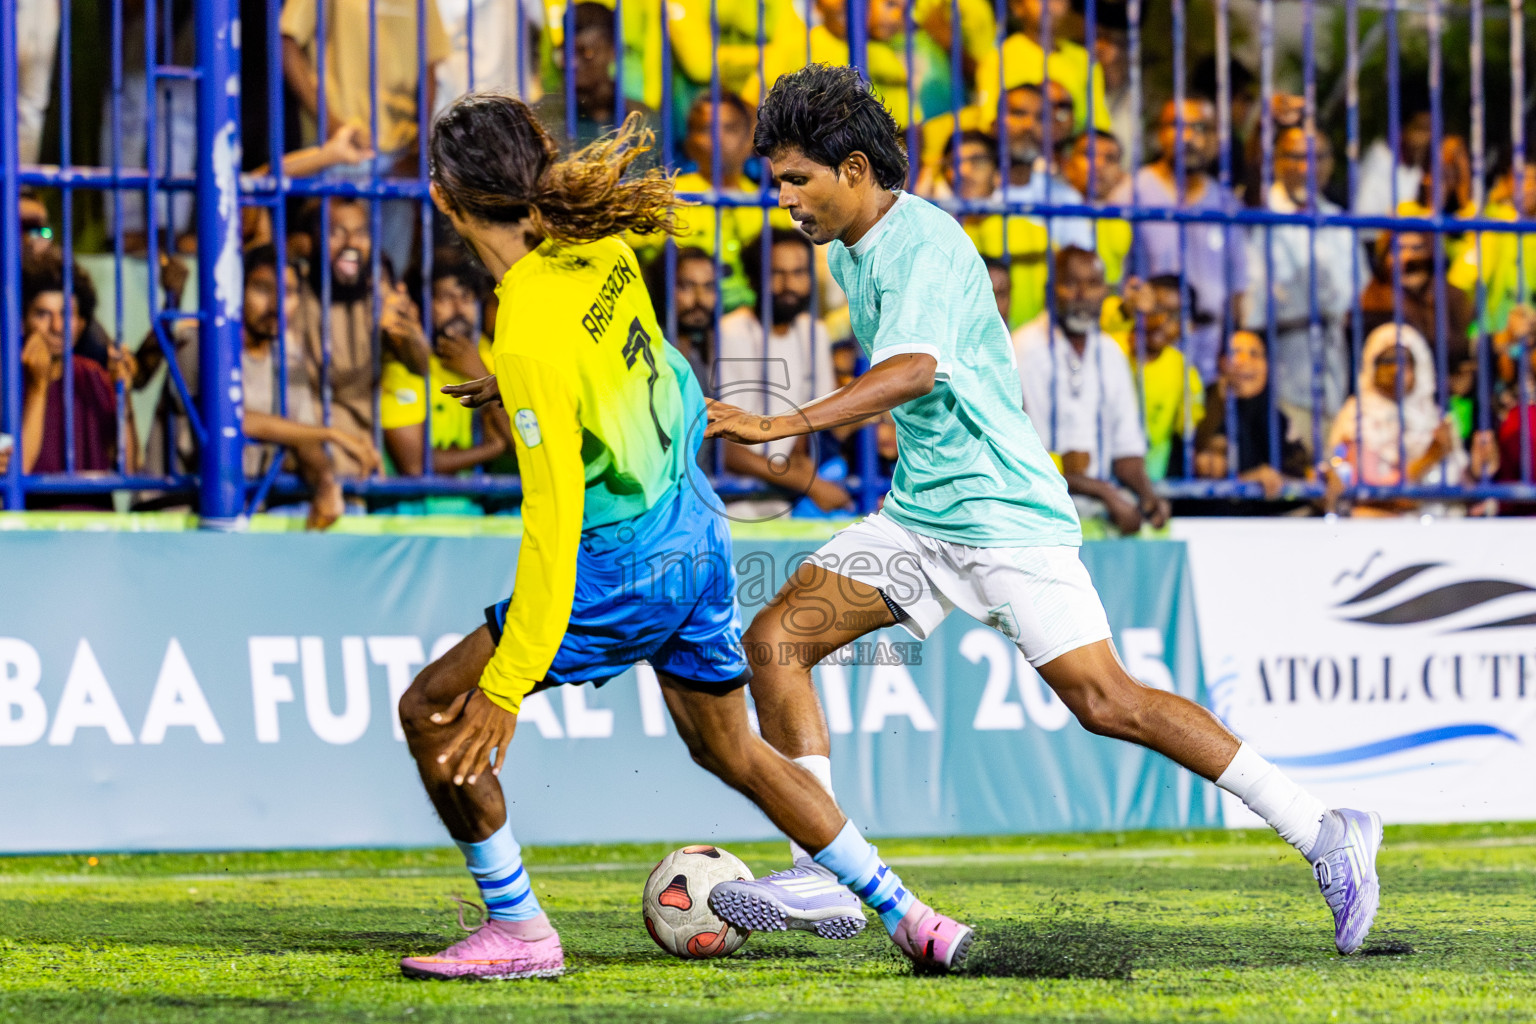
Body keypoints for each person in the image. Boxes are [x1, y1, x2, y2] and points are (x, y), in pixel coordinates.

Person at [704, 64, 1383, 959]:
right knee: (776, 642)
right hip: (923, 516)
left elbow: (913, 370)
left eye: (797, 179)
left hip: (1002, 514)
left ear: (855, 170)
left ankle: (1323, 828)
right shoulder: (849, 248)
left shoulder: (921, 241)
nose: (784, 198)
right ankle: (821, 868)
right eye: (778, 181)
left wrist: (781, 423)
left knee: (1107, 701)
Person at [394, 91, 969, 979]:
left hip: (623, 564)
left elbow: (554, 526)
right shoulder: (599, 246)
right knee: (729, 748)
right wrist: (526, 388)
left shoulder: (526, 329)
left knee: (432, 710)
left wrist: (505, 687)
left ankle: (520, 931)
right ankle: (912, 916)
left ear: (443, 196)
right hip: (695, 533)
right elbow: (658, 369)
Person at [280, 0, 451, 276]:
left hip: (399, 156)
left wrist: (419, 147)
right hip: (339, 151)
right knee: (331, 276)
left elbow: (429, 63)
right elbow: (286, 41)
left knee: (388, 275)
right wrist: (332, 126)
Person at [1013, 247, 1159, 533]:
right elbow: (1025, 461)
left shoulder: (1111, 353)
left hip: (1101, 516)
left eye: (1092, 284)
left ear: (1105, 292)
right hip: (1038, 515)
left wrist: (1148, 495)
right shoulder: (1023, 349)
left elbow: (1127, 451)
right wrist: (1102, 491)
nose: (1082, 295)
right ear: (1050, 290)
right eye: (1071, 284)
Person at [292, 196, 432, 477]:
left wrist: (406, 331)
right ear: (311, 240)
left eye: (361, 233)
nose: (351, 244)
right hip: (300, 451)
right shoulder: (293, 294)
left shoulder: (379, 299)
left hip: (359, 456)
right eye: (336, 233)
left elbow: (421, 366)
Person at [1243, 125, 1363, 453]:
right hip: (1278, 373)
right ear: (1276, 161)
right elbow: (1252, 304)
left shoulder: (1339, 220)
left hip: (1333, 377)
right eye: (1295, 156)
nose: (1307, 166)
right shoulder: (1257, 215)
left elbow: (1355, 296)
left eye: (1318, 157)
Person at [715, 228, 850, 519]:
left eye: (799, 272)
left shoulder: (814, 333)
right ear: (754, 277)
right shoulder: (729, 332)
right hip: (734, 499)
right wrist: (808, 483)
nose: (789, 285)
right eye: (777, 273)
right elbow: (726, 447)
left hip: (794, 501)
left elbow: (820, 423)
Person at [1112, 97, 1248, 381]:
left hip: (1207, 365)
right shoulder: (1129, 194)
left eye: (1201, 128)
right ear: (1159, 134)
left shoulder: (1226, 205)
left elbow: (1237, 293)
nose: (1189, 138)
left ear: (1216, 138)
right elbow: (1111, 280)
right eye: (1178, 126)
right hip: (1141, 361)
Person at [1327, 323, 1499, 517]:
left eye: (1404, 361)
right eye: (1386, 361)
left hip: (1442, 525)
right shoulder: (1355, 418)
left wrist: (1478, 471)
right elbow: (1368, 492)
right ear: (1370, 364)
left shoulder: (1436, 417)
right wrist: (1430, 457)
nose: (1395, 370)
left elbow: (1463, 491)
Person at [379, 250, 514, 495]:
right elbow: (415, 466)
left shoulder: (491, 355)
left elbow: (523, 441)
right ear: (423, 303)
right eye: (445, 297)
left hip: (478, 509)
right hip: (415, 508)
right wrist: (491, 449)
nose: (459, 307)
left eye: (466, 297)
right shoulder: (406, 364)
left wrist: (480, 374)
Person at [18, 253, 138, 502]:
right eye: (42, 314)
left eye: (67, 314)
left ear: (82, 324)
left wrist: (122, 394)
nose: (57, 327)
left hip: (95, 522)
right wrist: (38, 387)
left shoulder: (94, 377)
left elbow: (128, 469)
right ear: (21, 322)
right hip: (30, 524)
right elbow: (18, 473)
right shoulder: (8, 382)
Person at [1193, 330, 1311, 500]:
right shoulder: (1200, 406)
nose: (1245, 361)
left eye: (1255, 354)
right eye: (1236, 353)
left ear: (1267, 366)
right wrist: (1246, 482)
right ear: (1222, 362)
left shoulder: (1277, 418)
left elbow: (1300, 473)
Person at [531, 2, 660, 154]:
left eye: (586, 53)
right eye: (566, 53)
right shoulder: (541, 122)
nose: (573, 63)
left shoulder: (644, 122)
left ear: (612, 51)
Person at [975, 0, 1112, 137]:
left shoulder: (1086, 61)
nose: (1050, 6)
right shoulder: (997, 59)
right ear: (1018, 7)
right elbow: (989, 121)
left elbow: (1099, 125)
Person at [1116, 275, 1206, 482]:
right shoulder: (1110, 347)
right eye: (1155, 309)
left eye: (1175, 316)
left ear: (1189, 327)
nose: (1161, 322)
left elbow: (1191, 432)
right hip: (1097, 478)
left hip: (1150, 481)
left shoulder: (1184, 371)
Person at [1062, 128, 1131, 285]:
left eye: (1110, 159)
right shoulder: (1046, 212)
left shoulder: (1128, 219)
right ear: (1068, 165)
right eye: (1089, 155)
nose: (1099, 165)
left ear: (1120, 174)